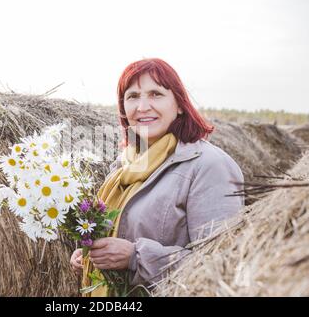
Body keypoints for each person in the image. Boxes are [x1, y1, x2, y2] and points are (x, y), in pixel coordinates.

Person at [70, 58, 244, 296]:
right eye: (132, 96)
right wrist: (92, 256)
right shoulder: (124, 165)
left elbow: (222, 265)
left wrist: (136, 257)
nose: (142, 107)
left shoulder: (209, 166)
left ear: (180, 104)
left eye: (155, 94)